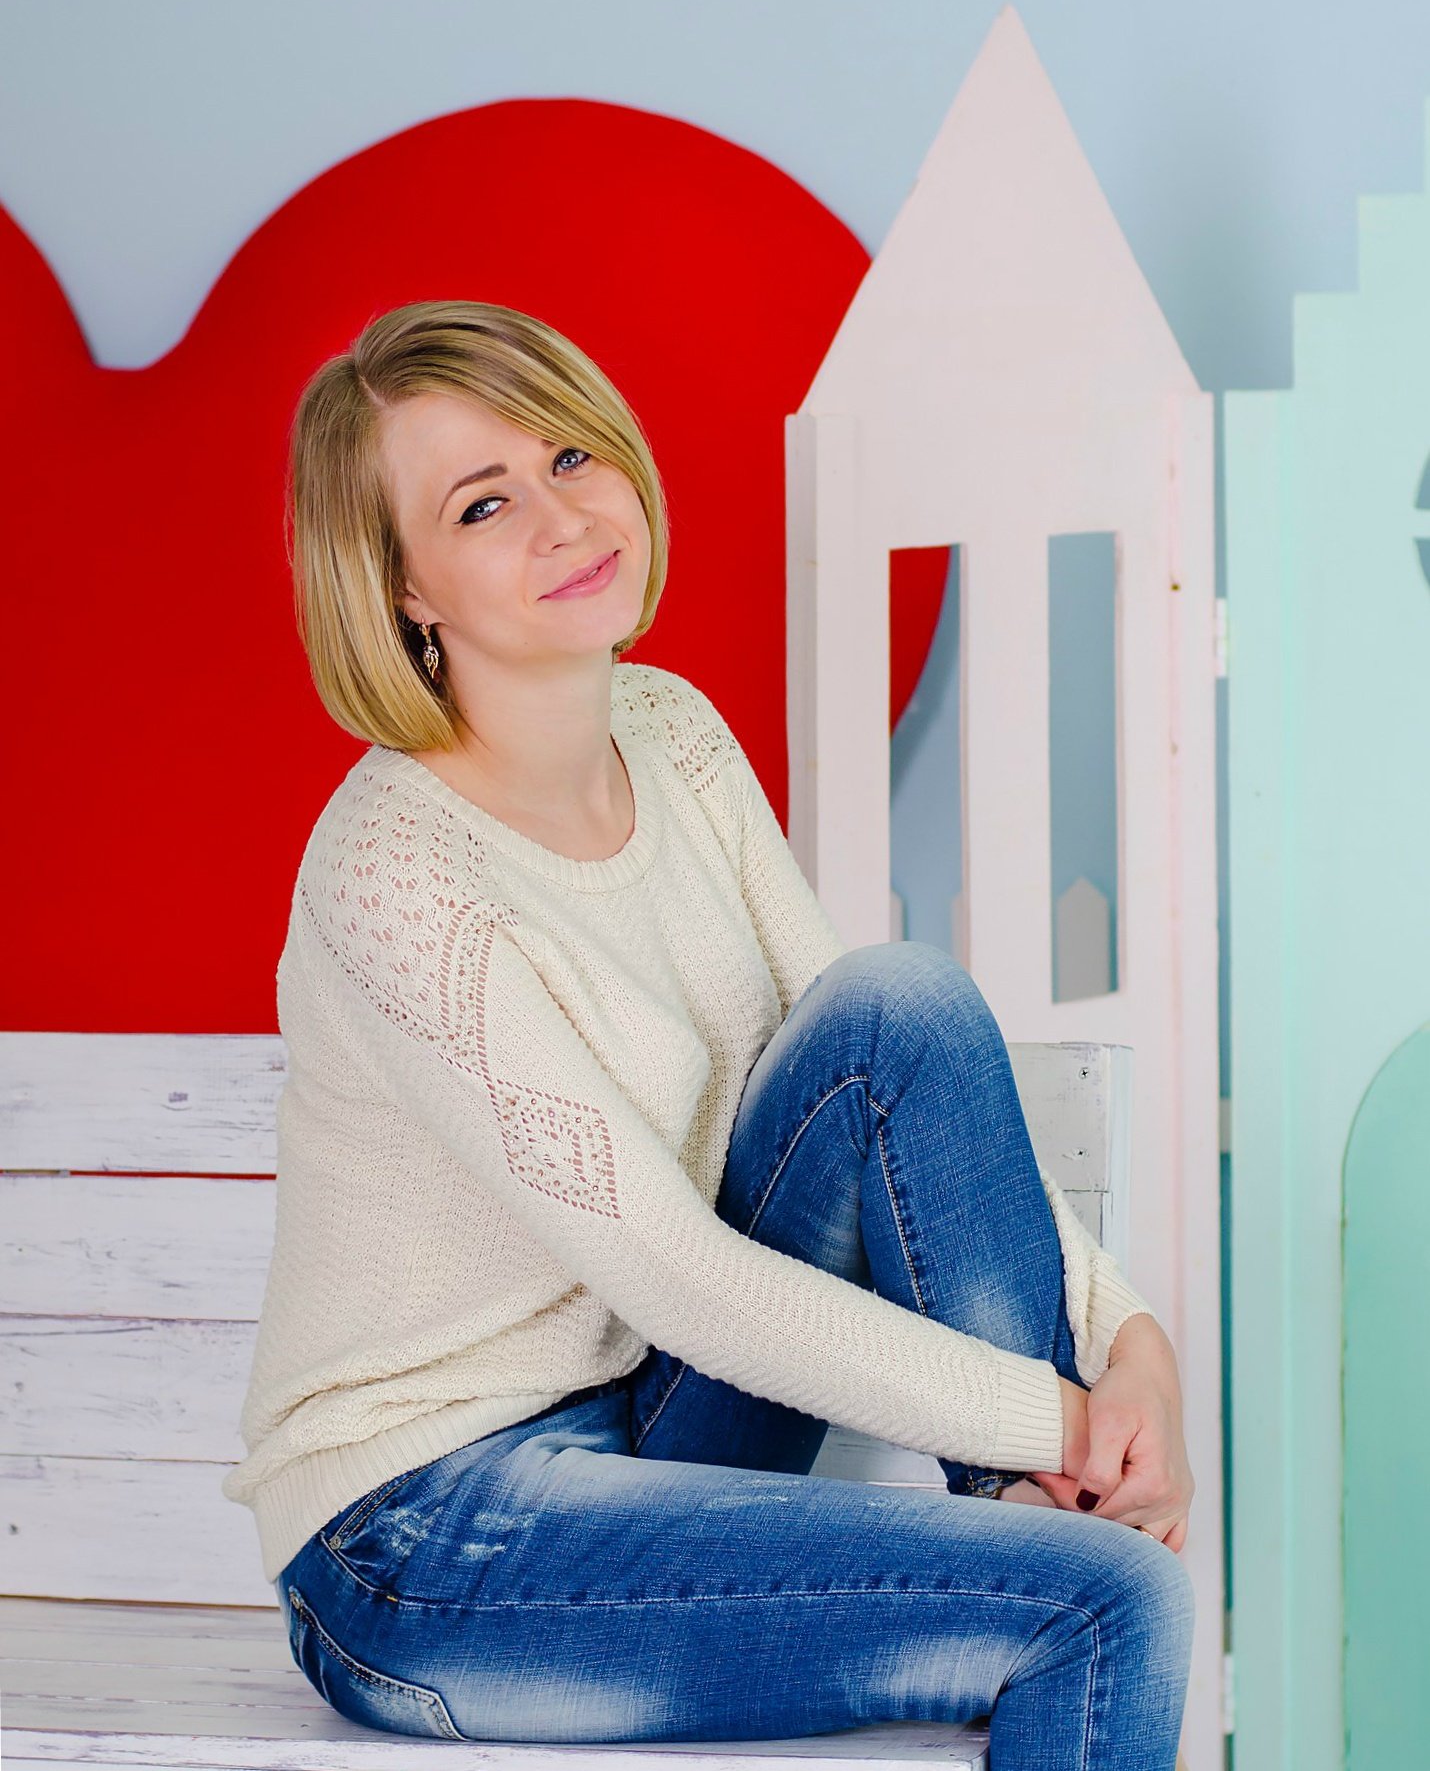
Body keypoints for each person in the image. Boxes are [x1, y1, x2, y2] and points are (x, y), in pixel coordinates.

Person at [223, 300, 1195, 1767]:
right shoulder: (395, 875)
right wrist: (1059, 1422)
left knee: (899, 1004)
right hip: (425, 1540)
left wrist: (1132, 1348)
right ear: (402, 587)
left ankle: (1033, 1513)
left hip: (646, 1420)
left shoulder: (671, 733)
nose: (563, 517)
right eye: (484, 504)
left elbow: (869, 1071)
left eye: (567, 456)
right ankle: (1055, 1517)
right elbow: (680, 1278)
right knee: (1108, 1600)